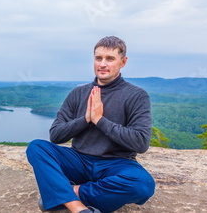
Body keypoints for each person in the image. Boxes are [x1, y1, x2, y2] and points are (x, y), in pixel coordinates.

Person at [26, 36, 155, 213]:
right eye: (98, 58)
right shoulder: (78, 93)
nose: (102, 64)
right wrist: (86, 119)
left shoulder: (136, 96)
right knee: (37, 148)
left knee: (143, 184)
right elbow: (55, 135)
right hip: (79, 161)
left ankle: (67, 193)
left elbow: (140, 143)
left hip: (115, 164)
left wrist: (100, 120)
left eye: (110, 59)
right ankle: (79, 207)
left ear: (123, 62)